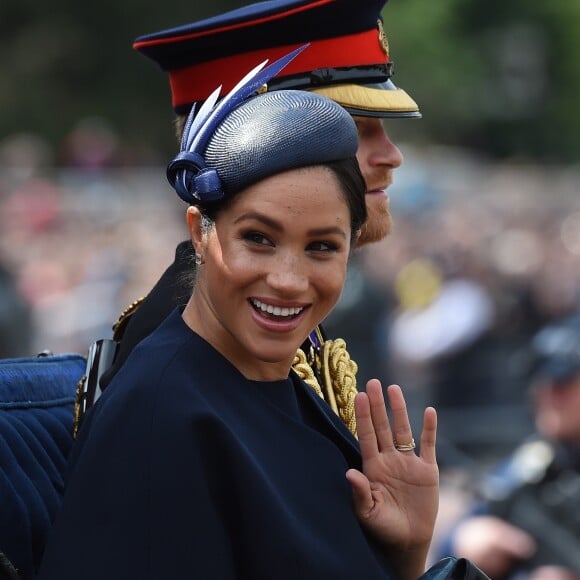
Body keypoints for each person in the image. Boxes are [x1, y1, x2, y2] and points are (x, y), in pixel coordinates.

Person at [38, 52, 439, 579]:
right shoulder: (165, 418)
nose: (289, 279)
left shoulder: (271, 381)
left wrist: (407, 554)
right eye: (258, 239)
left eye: (321, 247)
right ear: (199, 231)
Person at [98, 0, 420, 408]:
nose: (392, 155)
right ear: (251, 145)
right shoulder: (196, 339)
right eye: (351, 130)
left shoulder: (250, 310)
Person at [440, 312, 580, 579]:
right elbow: (457, 541)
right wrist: (466, 538)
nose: (547, 394)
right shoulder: (536, 461)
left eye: (563, 383)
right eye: (540, 382)